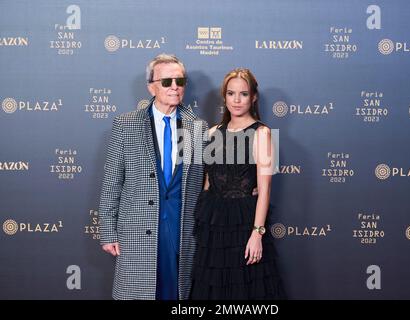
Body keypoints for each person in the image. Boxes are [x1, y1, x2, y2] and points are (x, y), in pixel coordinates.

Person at [99, 53, 207, 300]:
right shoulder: (125, 125)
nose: (175, 87)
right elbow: (112, 182)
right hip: (137, 228)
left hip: (182, 227)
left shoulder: (198, 127)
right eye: (167, 81)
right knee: (139, 292)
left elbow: (205, 181)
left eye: (180, 81)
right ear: (151, 86)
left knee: (176, 293)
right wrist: (107, 231)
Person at [190, 68, 285, 299]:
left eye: (243, 94)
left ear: (253, 97)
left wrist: (257, 233)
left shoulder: (262, 133)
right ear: (225, 97)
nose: (236, 100)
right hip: (213, 223)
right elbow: (207, 183)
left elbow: (265, 190)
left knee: (245, 290)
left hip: (245, 224)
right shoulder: (212, 132)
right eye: (231, 93)